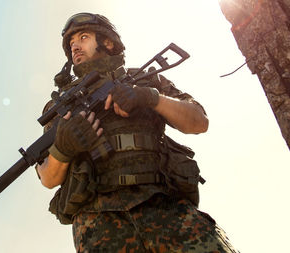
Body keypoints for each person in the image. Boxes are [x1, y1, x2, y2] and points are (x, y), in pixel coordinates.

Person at [35, 13, 237, 252]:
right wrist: (63, 148)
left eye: (83, 37)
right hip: (98, 225)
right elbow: (48, 178)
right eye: (71, 44)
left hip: (167, 208)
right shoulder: (61, 107)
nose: (75, 46)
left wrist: (149, 97)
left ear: (107, 42)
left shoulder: (146, 79)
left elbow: (198, 121)